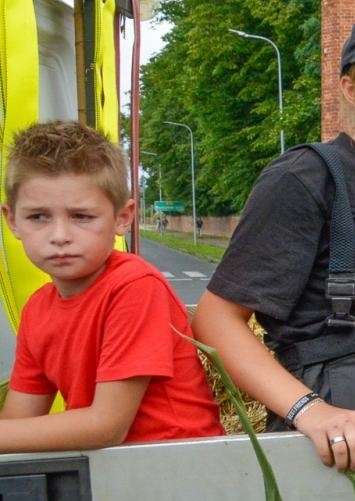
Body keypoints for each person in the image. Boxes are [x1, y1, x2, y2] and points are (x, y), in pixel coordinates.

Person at [193, 8, 355, 470]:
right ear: (349, 88)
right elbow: (216, 319)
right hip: (341, 421)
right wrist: (309, 410)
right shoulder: (307, 177)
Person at [0, 121, 223, 449]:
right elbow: (17, 423)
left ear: (122, 217)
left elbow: (106, 427)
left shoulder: (135, 286)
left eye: (82, 216)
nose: (59, 235)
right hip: (107, 477)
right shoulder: (36, 309)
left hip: (181, 474)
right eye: (38, 217)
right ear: (12, 221)